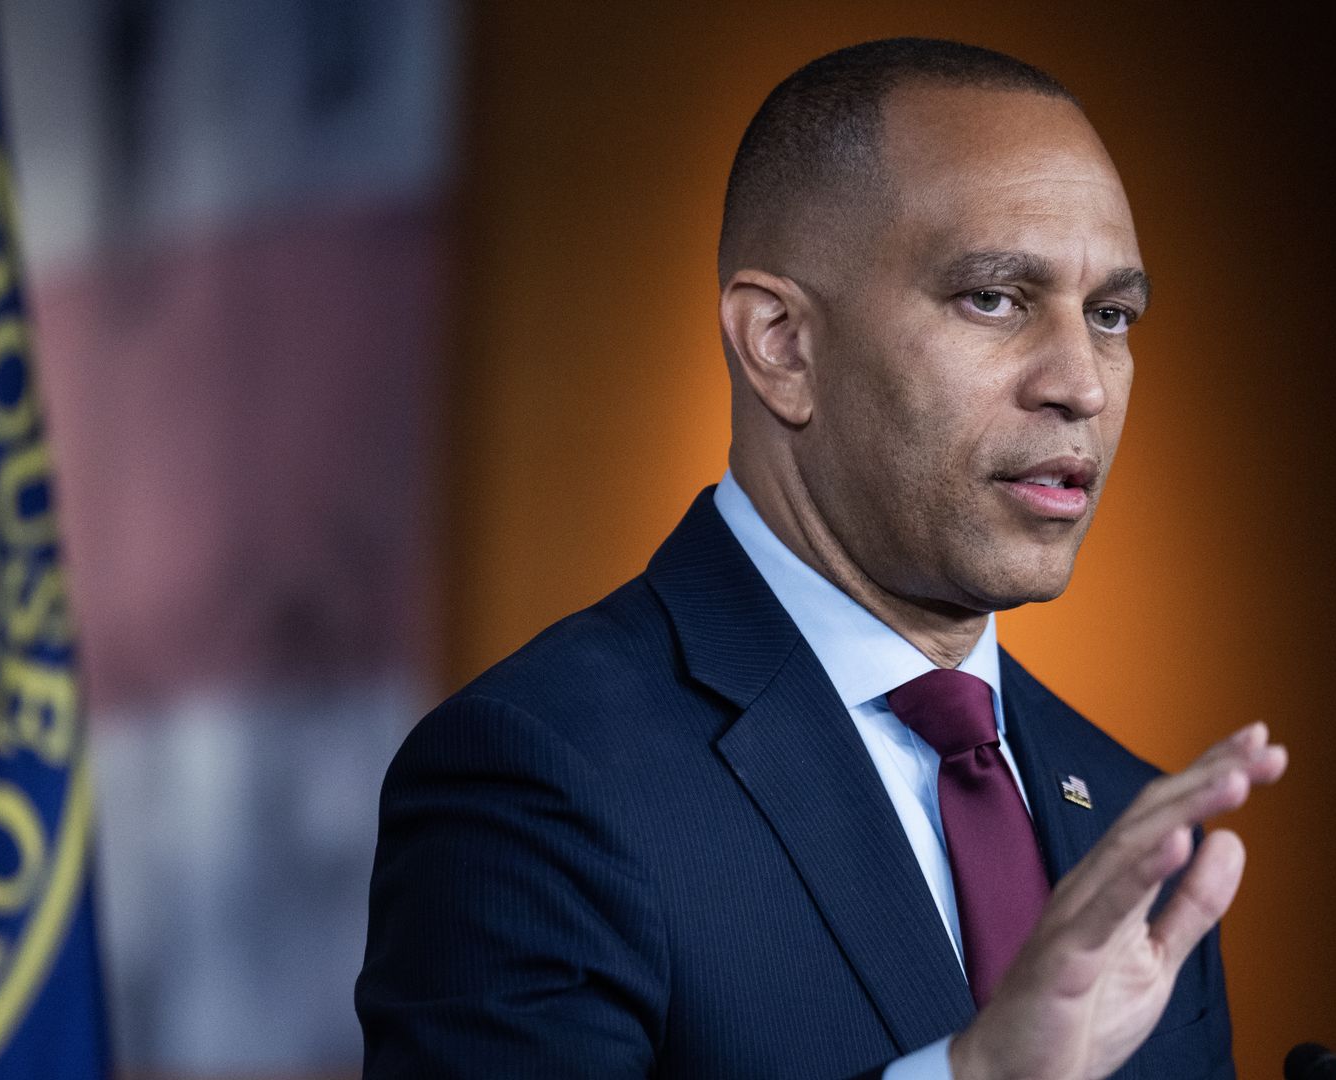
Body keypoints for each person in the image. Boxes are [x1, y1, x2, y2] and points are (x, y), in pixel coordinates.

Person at [356, 38, 1286, 1080]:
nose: (1083, 383)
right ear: (781, 345)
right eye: (994, 297)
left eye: (1111, 315)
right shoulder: (541, 779)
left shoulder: (1134, 828)